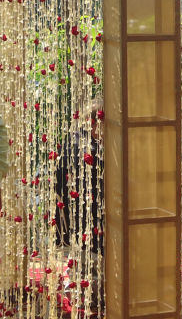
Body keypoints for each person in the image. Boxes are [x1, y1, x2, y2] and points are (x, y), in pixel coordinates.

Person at [55, 99, 104, 255]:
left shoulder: (80, 138)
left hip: (87, 212)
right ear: (94, 123)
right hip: (83, 213)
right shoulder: (79, 143)